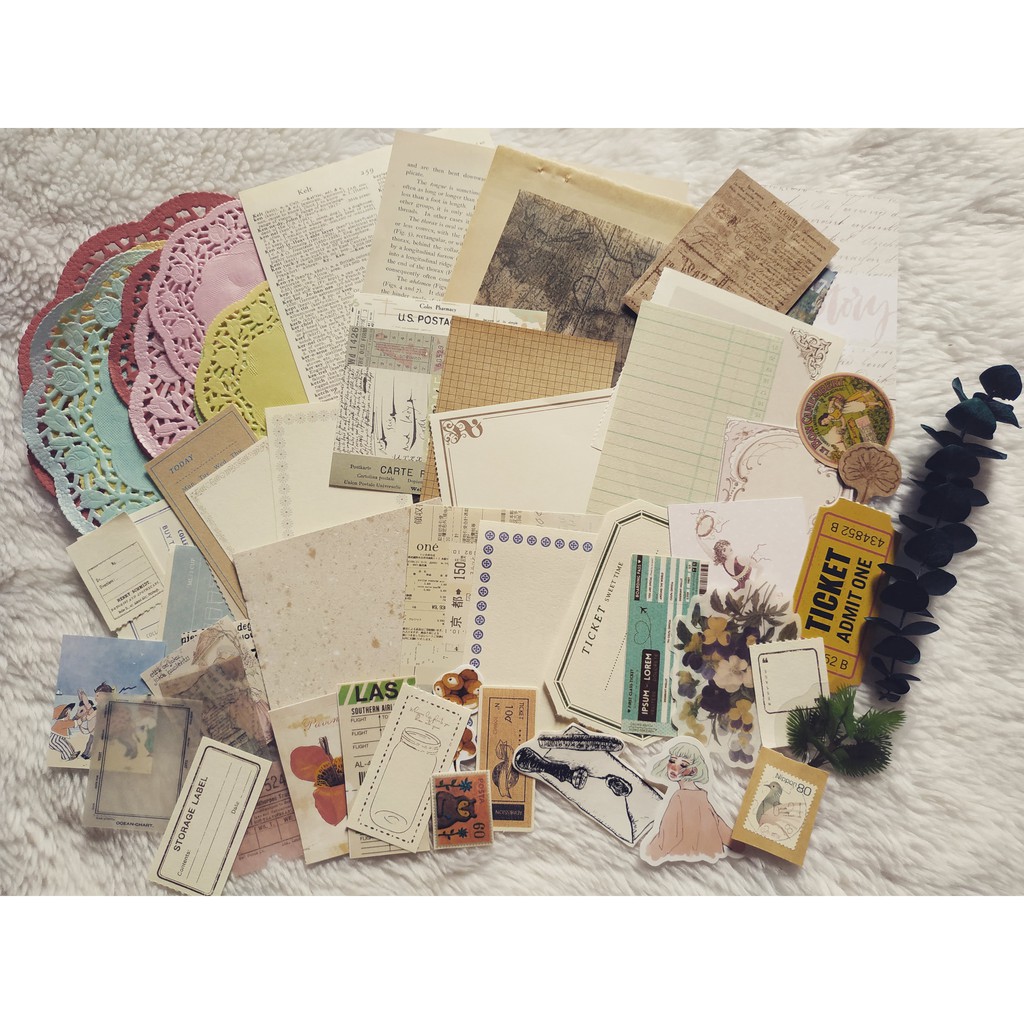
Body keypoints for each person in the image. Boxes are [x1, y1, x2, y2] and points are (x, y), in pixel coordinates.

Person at [643, 741, 732, 863]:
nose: (674, 767)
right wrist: (740, 846)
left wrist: (649, 854)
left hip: (683, 859)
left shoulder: (679, 797)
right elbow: (721, 827)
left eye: (683, 765)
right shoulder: (702, 796)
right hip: (708, 861)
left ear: (693, 771)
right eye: (672, 761)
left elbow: (668, 837)